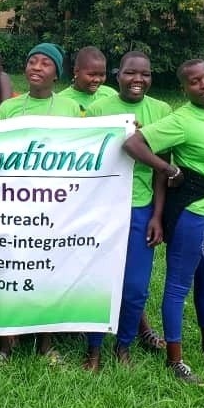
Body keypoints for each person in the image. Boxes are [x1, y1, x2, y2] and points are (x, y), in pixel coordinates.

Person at [122, 59, 204, 386]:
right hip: (191, 211)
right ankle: (175, 358)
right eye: (195, 82)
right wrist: (167, 170)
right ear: (184, 88)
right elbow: (133, 143)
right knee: (179, 284)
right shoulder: (180, 120)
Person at [81, 51, 171, 371]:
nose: (138, 80)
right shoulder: (98, 110)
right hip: (103, 210)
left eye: (145, 74)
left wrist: (157, 216)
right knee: (98, 281)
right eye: (131, 73)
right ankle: (93, 349)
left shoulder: (161, 110)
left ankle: (124, 345)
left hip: (140, 209)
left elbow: (163, 170)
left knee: (135, 287)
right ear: (118, 75)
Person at [0, 43, 80, 120]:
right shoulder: (7, 107)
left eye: (45, 64)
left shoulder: (70, 107)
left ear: (56, 74)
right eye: (32, 62)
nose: (36, 67)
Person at [58, 46, 117, 112]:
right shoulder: (61, 100)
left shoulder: (111, 95)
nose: (97, 80)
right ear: (76, 71)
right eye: (91, 74)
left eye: (102, 75)